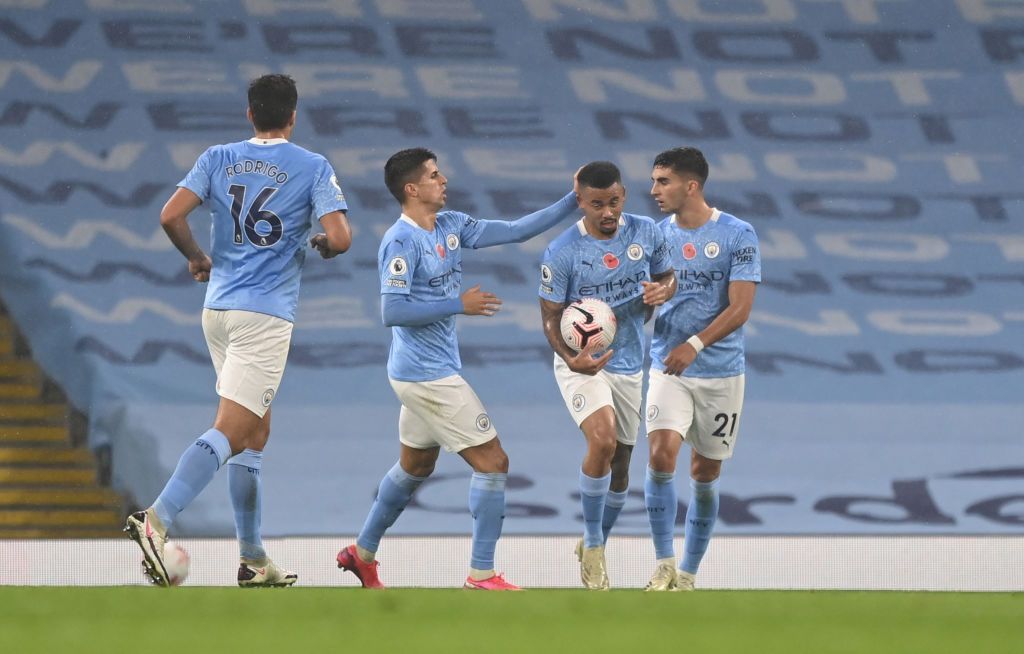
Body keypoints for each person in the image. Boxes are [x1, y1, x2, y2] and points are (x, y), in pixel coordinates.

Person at [124, 74, 352, 587]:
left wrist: (198, 257)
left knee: (254, 432)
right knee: (232, 429)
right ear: (294, 116)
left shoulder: (217, 157)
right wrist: (323, 244)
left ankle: (252, 559)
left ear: (250, 114)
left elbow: (170, 216)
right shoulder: (312, 166)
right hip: (265, 315)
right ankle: (156, 520)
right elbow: (341, 237)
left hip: (219, 310)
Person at [335, 147, 578, 591]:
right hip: (425, 374)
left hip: (425, 371)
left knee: (415, 466)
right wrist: (457, 305)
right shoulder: (400, 240)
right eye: (433, 175)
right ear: (412, 189)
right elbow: (392, 311)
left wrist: (572, 200)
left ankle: (361, 553)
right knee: (493, 462)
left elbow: (515, 231)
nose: (443, 179)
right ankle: (481, 574)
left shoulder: (450, 225)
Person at [538, 161, 676, 590]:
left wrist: (663, 289)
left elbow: (667, 277)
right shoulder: (561, 252)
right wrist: (569, 356)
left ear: (624, 196)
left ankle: (593, 539)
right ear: (579, 202)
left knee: (620, 469)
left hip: (630, 361)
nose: (607, 212)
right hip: (581, 363)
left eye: (614, 201)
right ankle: (595, 547)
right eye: (596, 204)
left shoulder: (647, 233)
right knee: (603, 440)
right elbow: (549, 317)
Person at [642, 146, 761, 591]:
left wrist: (694, 344)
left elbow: (742, 307)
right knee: (659, 455)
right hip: (667, 367)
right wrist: (642, 302)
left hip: (721, 372)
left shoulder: (737, 234)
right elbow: (644, 299)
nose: (654, 190)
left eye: (663, 181)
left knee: (704, 473)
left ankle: (689, 573)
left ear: (691, 186)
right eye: (654, 181)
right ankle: (664, 564)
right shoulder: (654, 236)